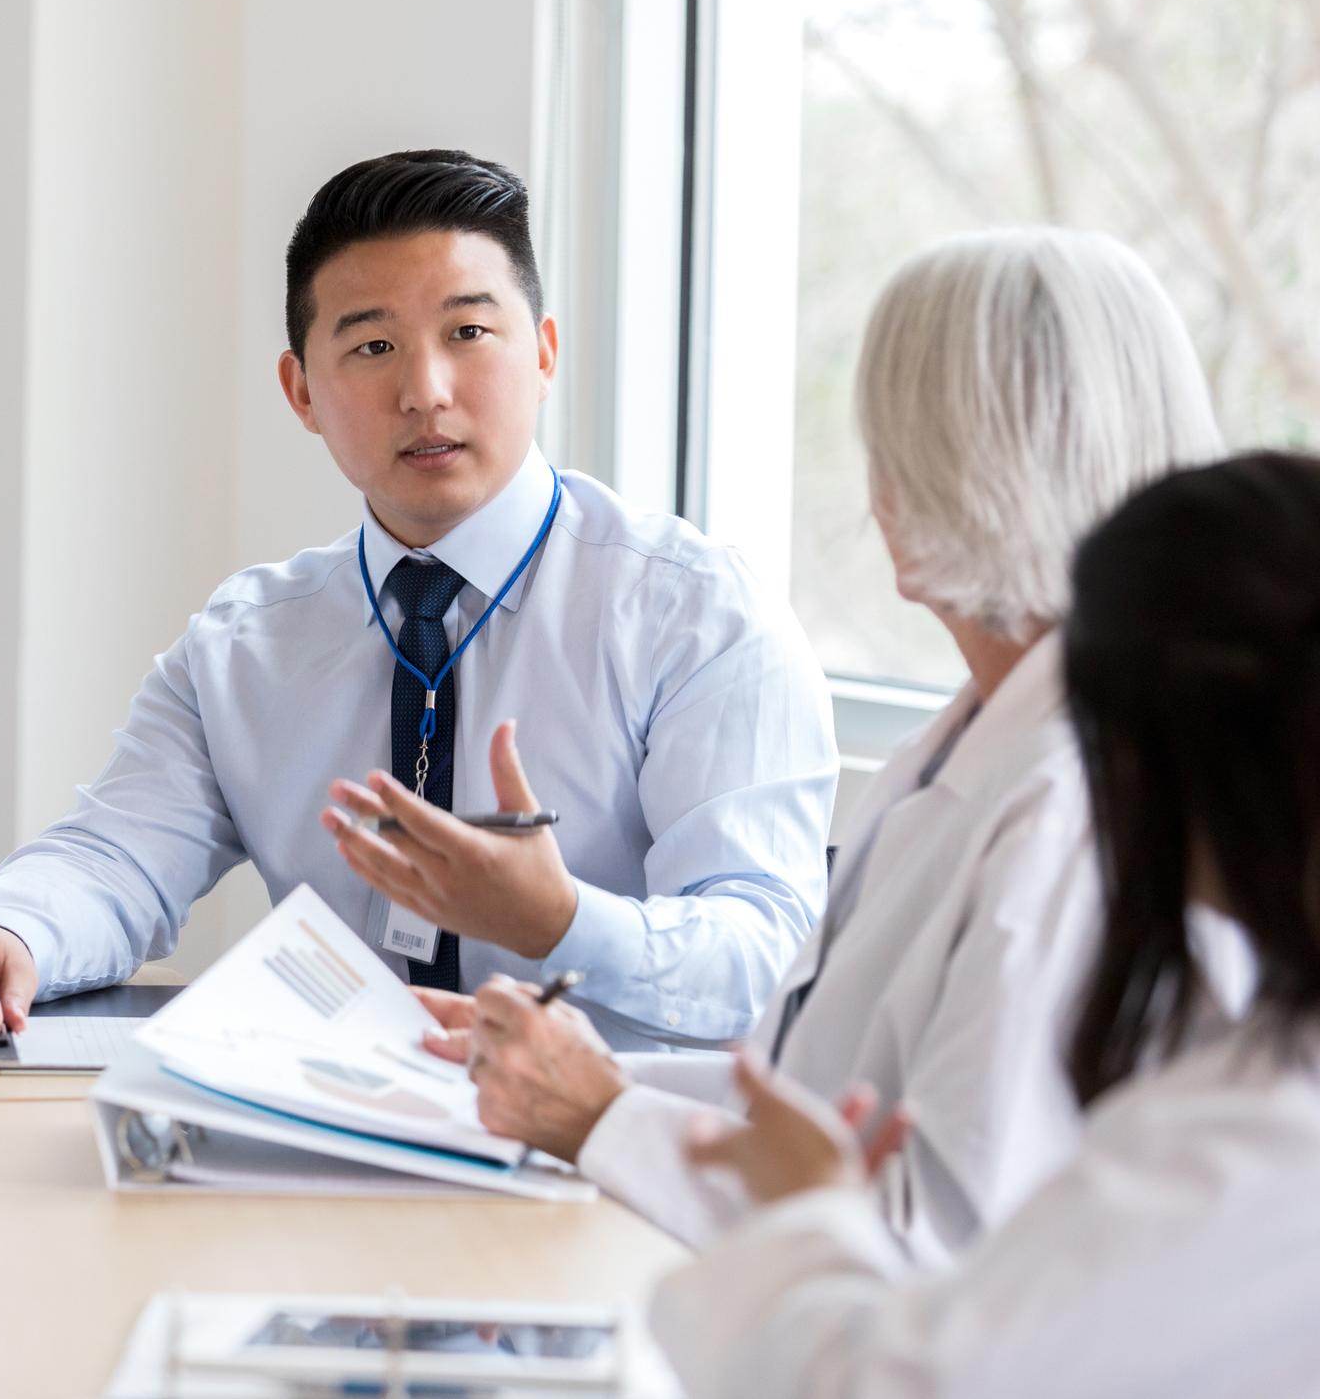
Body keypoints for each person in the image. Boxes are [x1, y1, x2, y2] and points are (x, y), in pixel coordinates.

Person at [0, 150, 836, 1053]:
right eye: (373, 346)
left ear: (543, 353)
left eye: (469, 333)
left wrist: (563, 922)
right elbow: (118, 858)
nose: (424, 392)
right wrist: (11, 937)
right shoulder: (245, 646)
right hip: (318, 1145)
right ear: (300, 391)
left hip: (602, 1165)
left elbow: (765, 952)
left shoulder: (695, 614)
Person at [432, 229, 1237, 1261]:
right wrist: (568, 1069)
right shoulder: (973, 738)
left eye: (889, 442)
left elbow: (935, 1241)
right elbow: (813, 1097)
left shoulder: (1073, 810)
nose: (877, 488)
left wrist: (600, 1116)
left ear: (959, 469)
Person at [654, 451, 1320, 1398]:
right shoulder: (1315, 1072)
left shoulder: (1276, 1153)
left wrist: (808, 1214)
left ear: (1149, 757)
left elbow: (900, 1387)